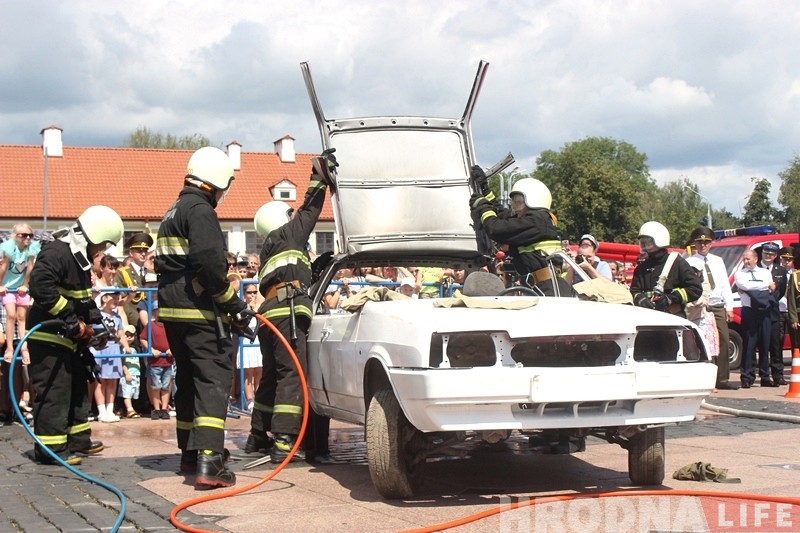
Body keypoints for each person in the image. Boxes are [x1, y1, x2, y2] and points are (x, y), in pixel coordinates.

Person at [154, 147, 252, 488]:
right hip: (197, 310)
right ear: (215, 180)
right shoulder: (200, 210)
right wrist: (233, 304)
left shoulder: (173, 210)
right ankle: (210, 462)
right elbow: (209, 264)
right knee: (212, 380)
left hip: (173, 313)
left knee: (190, 382)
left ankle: (190, 454)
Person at [247, 150, 335, 465]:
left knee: (271, 375)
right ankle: (284, 441)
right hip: (287, 316)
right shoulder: (288, 234)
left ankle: (257, 437)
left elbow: (294, 277)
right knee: (291, 376)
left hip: (270, 316)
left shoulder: (272, 249)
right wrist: (319, 175)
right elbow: (309, 210)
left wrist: (317, 265)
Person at [26, 205, 124, 465]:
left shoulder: (79, 259)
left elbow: (81, 300)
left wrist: (98, 327)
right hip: (48, 335)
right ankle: (51, 450)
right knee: (54, 392)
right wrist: (70, 319)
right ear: (92, 236)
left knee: (78, 387)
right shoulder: (57, 252)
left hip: (68, 339)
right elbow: (40, 286)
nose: (101, 251)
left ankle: (77, 440)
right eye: (101, 244)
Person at [469, 173, 569, 296]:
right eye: (514, 203)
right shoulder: (535, 221)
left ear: (534, 201)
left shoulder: (537, 221)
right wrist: (485, 189)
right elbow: (502, 215)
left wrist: (483, 208)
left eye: (519, 202)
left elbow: (496, 229)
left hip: (548, 290)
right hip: (540, 287)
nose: (516, 208)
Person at [685, 226, 739, 390]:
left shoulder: (718, 261)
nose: (703, 245)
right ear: (694, 244)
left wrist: (729, 307)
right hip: (702, 306)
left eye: (706, 242)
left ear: (711, 244)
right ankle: (707, 378)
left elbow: (724, 285)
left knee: (723, 339)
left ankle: (722, 379)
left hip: (717, 304)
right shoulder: (689, 262)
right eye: (700, 242)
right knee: (705, 342)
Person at [630, 221, 702, 318]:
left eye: (649, 242)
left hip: (673, 316)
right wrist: (640, 299)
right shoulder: (641, 268)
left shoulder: (677, 262)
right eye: (643, 243)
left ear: (660, 240)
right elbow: (634, 290)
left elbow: (695, 289)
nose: (646, 246)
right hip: (648, 318)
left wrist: (670, 298)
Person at [734, 249, 776, 388]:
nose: (746, 262)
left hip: (764, 311)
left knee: (765, 344)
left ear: (756, 259)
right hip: (749, 311)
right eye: (744, 259)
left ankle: (765, 376)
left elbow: (771, 287)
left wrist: (751, 289)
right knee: (749, 345)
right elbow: (744, 285)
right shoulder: (740, 273)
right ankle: (747, 377)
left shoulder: (764, 272)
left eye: (748, 259)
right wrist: (763, 286)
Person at [1, 224, 41, 364]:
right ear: (15, 236)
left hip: (21, 288)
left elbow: (30, 269)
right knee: (11, 315)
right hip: (8, 288)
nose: (28, 238)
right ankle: (10, 348)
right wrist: (0, 285)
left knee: (22, 317)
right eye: (24, 235)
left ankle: (24, 348)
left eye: (30, 235)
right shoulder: (8, 249)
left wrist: (25, 285)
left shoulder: (31, 249)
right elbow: (3, 267)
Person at [92, 291, 133, 422]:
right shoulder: (97, 314)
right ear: (105, 298)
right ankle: (101, 411)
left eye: (117, 298)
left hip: (113, 348)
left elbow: (121, 334)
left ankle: (110, 410)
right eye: (113, 298)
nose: (116, 300)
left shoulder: (117, 317)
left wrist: (126, 346)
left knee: (112, 379)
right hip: (100, 349)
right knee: (100, 380)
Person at [758, 241, 788, 386]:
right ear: (762, 253)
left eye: (771, 254)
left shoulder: (780, 270)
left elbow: (781, 292)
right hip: (758, 312)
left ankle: (778, 375)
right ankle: (763, 375)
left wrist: (772, 301)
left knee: (776, 345)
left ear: (775, 255)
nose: (768, 256)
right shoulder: (755, 268)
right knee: (761, 345)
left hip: (774, 312)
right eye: (766, 253)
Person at [114, 232, 154, 333]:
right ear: (131, 253)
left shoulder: (151, 273)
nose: (143, 254)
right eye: (139, 251)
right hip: (132, 320)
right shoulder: (122, 273)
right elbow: (120, 301)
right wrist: (137, 318)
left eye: (145, 250)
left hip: (150, 318)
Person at [120, 324, 142, 418]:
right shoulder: (123, 349)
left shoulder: (134, 349)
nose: (129, 337)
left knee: (133, 392)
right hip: (128, 375)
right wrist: (126, 373)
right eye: (127, 335)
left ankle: (131, 408)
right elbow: (122, 362)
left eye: (131, 335)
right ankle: (129, 409)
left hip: (136, 374)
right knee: (127, 393)